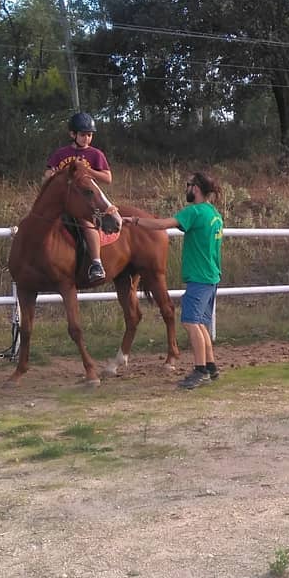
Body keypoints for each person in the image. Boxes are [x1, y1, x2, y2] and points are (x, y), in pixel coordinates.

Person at [127, 171, 224, 390]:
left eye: (188, 185)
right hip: (211, 277)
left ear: (195, 188)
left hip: (199, 278)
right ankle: (210, 367)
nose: (186, 189)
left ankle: (200, 370)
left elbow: (162, 224)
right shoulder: (214, 214)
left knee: (190, 322)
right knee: (201, 323)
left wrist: (134, 221)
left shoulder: (194, 212)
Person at [45, 111, 113, 283]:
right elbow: (47, 175)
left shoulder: (96, 154)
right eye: (83, 135)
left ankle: (96, 263)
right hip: (62, 201)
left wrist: (87, 170)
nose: (87, 139)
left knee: (87, 222)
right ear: (72, 134)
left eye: (90, 135)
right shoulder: (61, 154)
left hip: (84, 201)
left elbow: (108, 178)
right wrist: (51, 175)